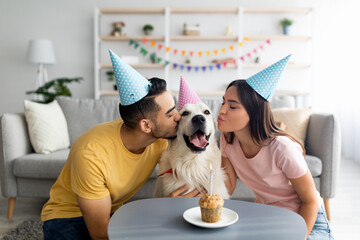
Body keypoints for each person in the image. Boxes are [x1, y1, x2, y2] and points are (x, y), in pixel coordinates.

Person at [41, 50, 204, 240]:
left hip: (113, 211)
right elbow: (101, 234)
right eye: (170, 114)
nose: (178, 116)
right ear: (146, 125)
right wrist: (163, 211)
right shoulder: (91, 153)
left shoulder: (164, 136)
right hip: (66, 218)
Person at [218, 55, 334, 240]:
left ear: (254, 113)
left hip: (305, 219)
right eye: (223, 102)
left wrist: (300, 237)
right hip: (268, 216)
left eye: (232, 106)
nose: (222, 110)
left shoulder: (281, 148)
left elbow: (310, 201)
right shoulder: (228, 139)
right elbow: (227, 186)